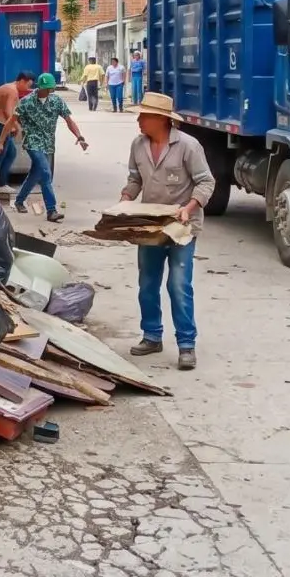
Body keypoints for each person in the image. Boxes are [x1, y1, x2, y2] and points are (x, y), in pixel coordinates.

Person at [120, 92, 215, 371]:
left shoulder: (189, 146)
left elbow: (206, 183)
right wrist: (126, 197)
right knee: (147, 283)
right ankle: (152, 336)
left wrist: (189, 207)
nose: (138, 120)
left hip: (181, 226)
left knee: (178, 284)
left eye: (144, 115)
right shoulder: (138, 145)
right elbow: (135, 179)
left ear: (162, 119)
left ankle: (187, 344)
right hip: (151, 225)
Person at [0, 72, 88, 222]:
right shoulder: (26, 102)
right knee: (45, 173)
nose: (49, 91)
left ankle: (19, 201)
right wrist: (0, 141)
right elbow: (10, 122)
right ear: (39, 87)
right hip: (33, 142)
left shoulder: (57, 101)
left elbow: (69, 121)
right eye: (46, 88)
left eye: (51, 89)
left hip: (48, 144)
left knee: (35, 175)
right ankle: (51, 210)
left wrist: (79, 136)